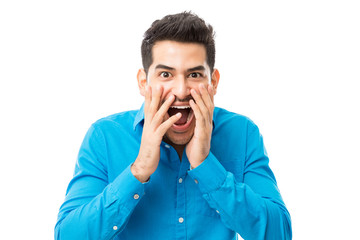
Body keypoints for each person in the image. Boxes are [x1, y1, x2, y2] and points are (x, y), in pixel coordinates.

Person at [55, 12, 292, 240]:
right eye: (166, 75)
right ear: (143, 82)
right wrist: (137, 171)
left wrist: (206, 166)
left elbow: (279, 234)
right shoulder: (104, 137)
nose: (181, 91)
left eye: (195, 75)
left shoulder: (243, 134)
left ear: (214, 82)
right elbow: (67, 236)